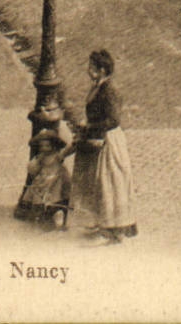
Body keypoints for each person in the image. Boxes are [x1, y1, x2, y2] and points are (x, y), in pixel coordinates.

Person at [71, 49, 138, 243]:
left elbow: (113, 120)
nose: (88, 70)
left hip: (110, 141)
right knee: (98, 184)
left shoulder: (109, 91)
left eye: (92, 67)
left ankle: (114, 231)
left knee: (110, 184)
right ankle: (104, 227)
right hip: (99, 139)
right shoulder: (98, 87)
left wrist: (89, 125)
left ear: (101, 70)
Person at [15, 129, 72, 231]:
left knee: (55, 198)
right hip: (43, 178)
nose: (44, 148)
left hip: (55, 179)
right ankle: (43, 217)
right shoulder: (41, 157)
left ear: (54, 146)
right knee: (39, 197)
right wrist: (35, 163)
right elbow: (32, 168)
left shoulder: (57, 156)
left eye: (47, 146)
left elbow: (64, 156)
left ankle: (57, 218)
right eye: (41, 146)